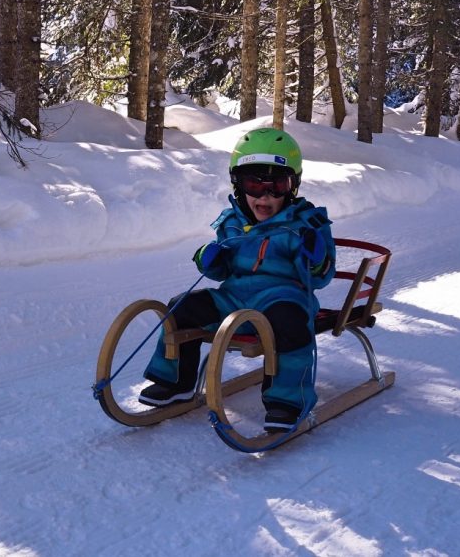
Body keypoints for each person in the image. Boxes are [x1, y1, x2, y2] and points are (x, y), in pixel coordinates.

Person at [138, 128, 336, 432]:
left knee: (291, 321)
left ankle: (287, 401)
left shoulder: (307, 224)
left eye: (277, 185)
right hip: (234, 299)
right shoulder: (232, 222)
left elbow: (320, 277)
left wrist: (316, 255)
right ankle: (174, 381)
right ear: (238, 183)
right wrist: (208, 256)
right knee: (182, 307)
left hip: (283, 300)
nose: (264, 196)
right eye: (254, 184)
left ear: (292, 185)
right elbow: (221, 271)